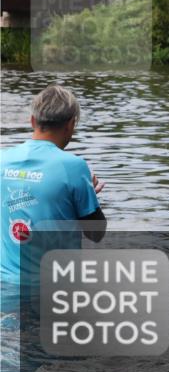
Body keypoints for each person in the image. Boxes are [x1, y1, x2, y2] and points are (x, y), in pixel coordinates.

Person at [1, 85, 107, 296]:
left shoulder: (2, 160)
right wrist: (88, 197)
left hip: (5, 286)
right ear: (70, 124)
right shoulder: (73, 167)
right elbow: (96, 232)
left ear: (33, 121)